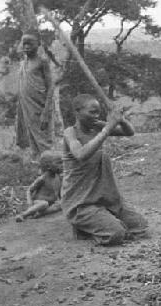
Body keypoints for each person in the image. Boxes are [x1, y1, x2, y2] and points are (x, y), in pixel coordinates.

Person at [60, 94, 148, 245]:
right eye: (92, 112)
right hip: (81, 202)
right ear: (77, 112)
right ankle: (84, 227)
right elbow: (81, 154)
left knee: (140, 225)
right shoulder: (70, 133)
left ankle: (100, 220)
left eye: (98, 112)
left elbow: (129, 132)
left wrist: (120, 119)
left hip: (104, 198)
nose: (96, 116)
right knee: (116, 234)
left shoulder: (97, 126)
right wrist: (108, 127)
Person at [15, 30, 53, 157]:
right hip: (26, 107)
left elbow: (51, 86)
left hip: (39, 107)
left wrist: (46, 112)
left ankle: (52, 168)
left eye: (30, 43)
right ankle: (38, 167)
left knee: (43, 142)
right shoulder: (23, 61)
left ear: (38, 44)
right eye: (24, 43)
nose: (26, 47)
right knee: (32, 141)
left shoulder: (42, 61)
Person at [15, 150, 62, 222]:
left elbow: (59, 194)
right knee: (44, 204)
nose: (62, 166)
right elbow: (29, 190)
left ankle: (39, 213)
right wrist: (30, 203)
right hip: (39, 202)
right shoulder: (43, 178)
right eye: (58, 163)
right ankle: (23, 214)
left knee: (61, 204)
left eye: (62, 162)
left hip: (50, 204)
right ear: (48, 166)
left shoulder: (58, 177)